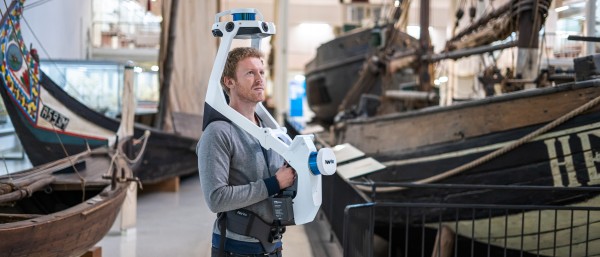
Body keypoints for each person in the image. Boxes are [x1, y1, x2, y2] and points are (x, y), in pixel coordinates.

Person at [197, 47, 296, 257]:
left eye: (261, 72)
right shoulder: (218, 133)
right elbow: (216, 198)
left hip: (273, 245)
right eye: (250, 73)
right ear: (229, 82)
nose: (259, 79)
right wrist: (274, 184)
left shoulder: (270, 129)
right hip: (237, 248)